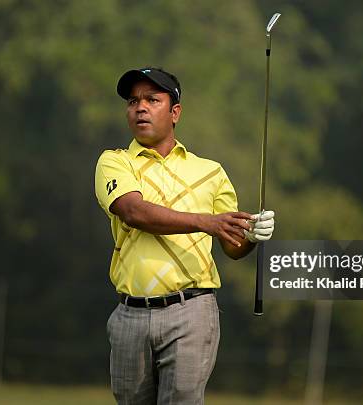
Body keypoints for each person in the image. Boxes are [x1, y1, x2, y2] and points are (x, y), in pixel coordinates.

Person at [95, 67, 275, 404]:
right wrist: (207, 222)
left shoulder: (211, 172)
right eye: (133, 101)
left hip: (190, 309)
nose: (140, 108)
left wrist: (251, 235)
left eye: (152, 99)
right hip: (130, 314)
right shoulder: (114, 162)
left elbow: (232, 246)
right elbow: (133, 212)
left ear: (175, 112)